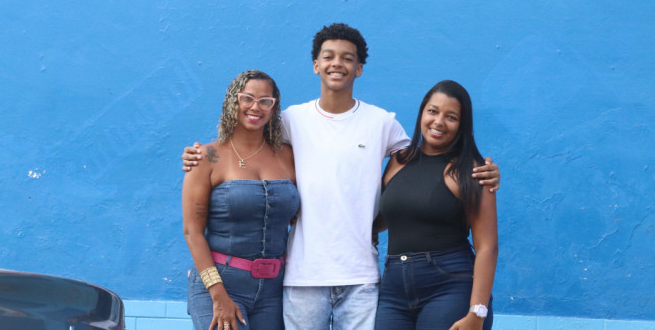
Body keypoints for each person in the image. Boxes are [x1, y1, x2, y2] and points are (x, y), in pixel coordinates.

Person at [184, 24, 499, 330]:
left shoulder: (382, 123)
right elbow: (245, 145)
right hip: (302, 276)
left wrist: (481, 171)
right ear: (316, 65)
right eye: (329, 56)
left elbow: (423, 166)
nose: (337, 63)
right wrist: (200, 155)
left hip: (361, 277)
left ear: (359, 68)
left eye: (348, 58)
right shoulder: (291, 120)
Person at [373, 80, 497, 330]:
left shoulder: (472, 171)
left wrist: (477, 312)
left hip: (449, 285)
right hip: (394, 286)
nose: (439, 122)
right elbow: (385, 219)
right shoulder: (399, 160)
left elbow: (488, 247)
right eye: (433, 111)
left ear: (462, 124)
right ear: (422, 113)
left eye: (451, 117)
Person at [183, 70, 300, 330]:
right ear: (232, 102)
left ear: (273, 107)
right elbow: (192, 232)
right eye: (247, 98)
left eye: (265, 101)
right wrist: (218, 294)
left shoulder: (289, 156)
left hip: (274, 290)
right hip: (221, 283)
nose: (255, 107)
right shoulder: (206, 157)